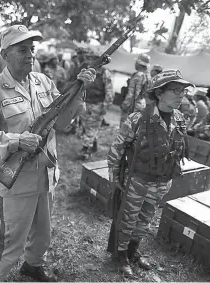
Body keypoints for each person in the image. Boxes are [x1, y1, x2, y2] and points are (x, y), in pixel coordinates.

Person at [0, 24, 96, 282]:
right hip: (17, 181)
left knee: (43, 232)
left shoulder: (43, 82)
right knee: (8, 240)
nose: (30, 55)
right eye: (22, 50)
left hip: (46, 175)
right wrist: (15, 141)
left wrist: (79, 90)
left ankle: (33, 265)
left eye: (32, 49)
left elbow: (61, 123)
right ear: (5, 54)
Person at [107, 69, 194, 277]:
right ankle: (120, 256)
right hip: (138, 180)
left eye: (183, 90)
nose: (181, 94)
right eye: (175, 90)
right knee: (128, 219)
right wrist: (115, 176)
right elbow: (116, 149)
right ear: (159, 93)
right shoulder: (138, 119)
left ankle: (133, 251)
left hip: (162, 181)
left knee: (145, 220)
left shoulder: (180, 118)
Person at [79, 50, 114, 160]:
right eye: (89, 58)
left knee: (92, 126)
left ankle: (86, 150)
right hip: (86, 103)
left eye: (93, 58)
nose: (90, 60)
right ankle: (93, 145)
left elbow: (109, 91)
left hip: (98, 104)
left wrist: (105, 106)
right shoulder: (88, 71)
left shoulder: (105, 73)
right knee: (86, 126)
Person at [120, 53, 151, 126]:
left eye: (136, 62)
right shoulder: (148, 76)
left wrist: (125, 104)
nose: (135, 64)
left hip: (133, 106)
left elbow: (132, 92)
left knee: (125, 128)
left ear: (139, 63)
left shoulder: (138, 75)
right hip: (142, 104)